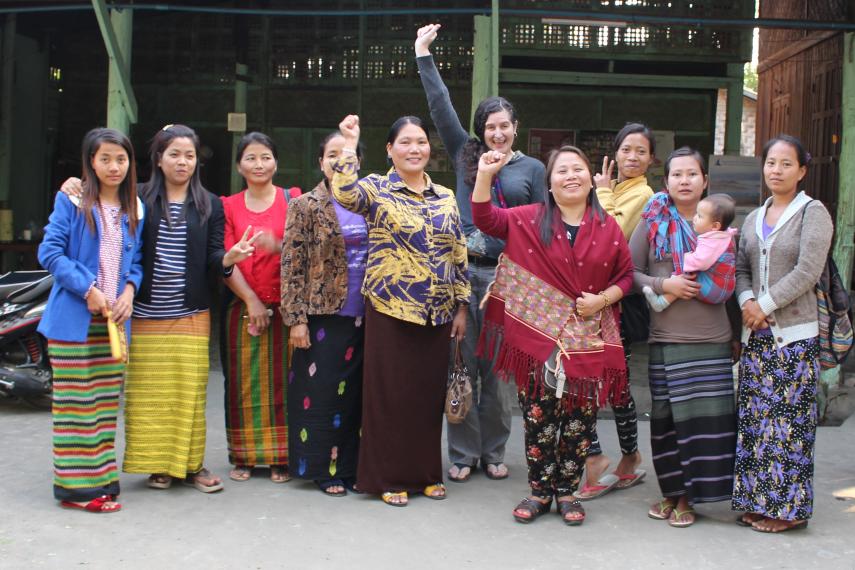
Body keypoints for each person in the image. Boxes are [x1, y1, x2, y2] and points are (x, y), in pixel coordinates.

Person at [59, 125, 257, 493]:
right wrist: (72, 184)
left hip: (191, 311)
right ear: (159, 159)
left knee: (190, 393)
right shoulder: (137, 198)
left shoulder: (211, 204)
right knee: (149, 396)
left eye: (190, 155)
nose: (183, 162)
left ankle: (192, 464)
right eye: (174, 154)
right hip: (145, 311)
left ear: (197, 161)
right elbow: (96, 195)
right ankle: (159, 467)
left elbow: (215, 256)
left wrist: (229, 257)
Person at [473, 145, 633, 525]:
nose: (571, 176)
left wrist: (602, 300)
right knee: (539, 419)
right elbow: (484, 218)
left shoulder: (607, 226)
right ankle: (540, 491)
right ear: (549, 184)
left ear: (591, 180)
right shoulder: (529, 218)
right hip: (538, 339)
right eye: (562, 171)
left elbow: (626, 276)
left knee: (579, 422)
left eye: (578, 169)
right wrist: (484, 175)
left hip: (586, 338)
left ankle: (567, 492)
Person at [415, 23, 546, 483]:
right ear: (481, 131)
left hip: (507, 278)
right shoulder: (465, 153)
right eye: (490, 126)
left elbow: (542, 226)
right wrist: (423, 56)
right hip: (460, 275)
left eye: (504, 126)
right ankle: (464, 452)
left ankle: (494, 451)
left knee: (499, 372)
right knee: (461, 364)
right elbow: (440, 106)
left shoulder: (532, 168)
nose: (497, 133)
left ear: (515, 129)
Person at [331, 114, 469, 507]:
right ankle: (387, 476)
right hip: (391, 308)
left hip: (438, 313)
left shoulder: (443, 196)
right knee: (390, 396)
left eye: (421, 142)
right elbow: (343, 194)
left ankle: (425, 473)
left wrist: (461, 306)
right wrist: (349, 144)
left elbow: (457, 253)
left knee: (425, 398)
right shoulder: (376, 189)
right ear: (390, 150)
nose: (414, 149)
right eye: (405, 142)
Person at [631, 147, 738, 528]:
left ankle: (691, 499)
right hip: (667, 339)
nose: (684, 181)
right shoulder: (654, 221)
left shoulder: (722, 228)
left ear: (705, 180)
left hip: (711, 340)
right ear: (666, 181)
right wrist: (665, 282)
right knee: (666, 424)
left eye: (692, 174)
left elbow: (734, 281)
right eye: (677, 174)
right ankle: (671, 494)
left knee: (705, 426)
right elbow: (631, 273)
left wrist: (737, 337)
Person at [39, 128, 144, 513]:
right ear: (91, 162)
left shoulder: (136, 207)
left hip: (113, 322)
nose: (114, 167)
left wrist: (130, 291)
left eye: (121, 159)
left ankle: (101, 480)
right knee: (76, 405)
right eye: (105, 159)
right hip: (73, 321)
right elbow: (50, 252)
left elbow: (135, 263)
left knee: (102, 404)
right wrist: (89, 289)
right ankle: (77, 491)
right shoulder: (72, 200)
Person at [732, 135, 833, 533]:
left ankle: (789, 511)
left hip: (794, 336)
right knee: (757, 423)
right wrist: (746, 302)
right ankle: (760, 501)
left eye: (786, 164)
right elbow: (741, 268)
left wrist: (765, 305)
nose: (777, 170)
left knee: (789, 426)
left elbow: (808, 271)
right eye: (771, 162)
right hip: (757, 335)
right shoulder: (755, 217)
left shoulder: (813, 213)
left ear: (802, 170)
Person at [281, 133, 367, 497]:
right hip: (322, 316)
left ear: (358, 163)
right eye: (331, 155)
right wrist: (296, 318)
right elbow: (291, 264)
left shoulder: (369, 203)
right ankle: (323, 467)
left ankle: (351, 467)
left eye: (346, 155)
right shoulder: (304, 205)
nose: (338, 161)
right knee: (321, 394)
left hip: (370, 315)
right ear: (321, 162)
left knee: (358, 397)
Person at [576, 123, 656, 499]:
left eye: (640, 151)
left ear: (651, 159)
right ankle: (624, 455)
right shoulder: (618, 189)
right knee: (604, 381)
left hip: (616, 302)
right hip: (596, 299)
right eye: (626, 150)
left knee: (602, 381)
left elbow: (611, 234)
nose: (632, 157)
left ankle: (602, 456)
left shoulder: (646, 195)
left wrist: (602, 193)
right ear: (616, 153)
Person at [222, 132, 301, 483]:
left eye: (265, 157)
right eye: (251, 158)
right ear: (240, 165)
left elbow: (304, 252)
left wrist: (279, 244)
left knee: (286, 382)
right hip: (243, 307)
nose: (259, 164)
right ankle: (244, 456)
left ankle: (281, 458)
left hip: (287, 309)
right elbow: (224, 260)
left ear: (276, 162)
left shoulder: (292, 199)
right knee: (244, 383)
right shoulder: (227, 206)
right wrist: (251, 300)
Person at [643, 193, 738, 312]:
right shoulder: (724, 235)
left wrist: (684, 257)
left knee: (686, 278)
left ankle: (661, 302)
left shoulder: (713, 241)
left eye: (700, 216)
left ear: (715, 226)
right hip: (725, 286)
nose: (695, 218)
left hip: (714, 289)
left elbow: (700, 262)